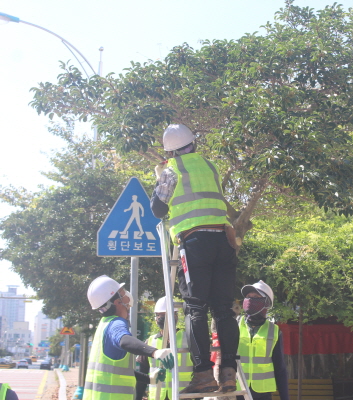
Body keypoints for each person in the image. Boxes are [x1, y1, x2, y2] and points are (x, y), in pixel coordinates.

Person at [151, 124, 240, 394]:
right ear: (193, 144)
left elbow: (157, 209)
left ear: (169, 151)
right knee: (224, 309)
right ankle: (228, 373)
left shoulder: (170, 171)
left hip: (194, 242)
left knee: (195, 308)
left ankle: (203, 374)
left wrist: (158, 182)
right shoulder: (209, 166)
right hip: (224, 240)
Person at [84, 275, 175, 400]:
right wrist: (155, 352)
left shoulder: (104, 324)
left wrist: (149, 379)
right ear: (118, 302)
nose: (127, 295)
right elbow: (124, 340)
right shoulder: (116, 323)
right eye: (123, 293)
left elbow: (119, 372)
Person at [237, 281, 289, 400]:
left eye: (256, 297)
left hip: (262, 393)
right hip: (238, 391)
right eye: (248, 297)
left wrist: (285, 397)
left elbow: (280, 368)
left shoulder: (274, 331)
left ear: (266, 303)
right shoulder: (235, 325)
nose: (250, 300)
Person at [136, 297, 194, 400]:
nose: (163, 318)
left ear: (175, 316)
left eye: (166, 315)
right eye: (159, 315)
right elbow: (142, 374)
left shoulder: (188, 339)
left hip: (182, 396)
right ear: (155, 318)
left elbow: (198, 372)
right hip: (158, 396)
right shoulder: (150, 341)